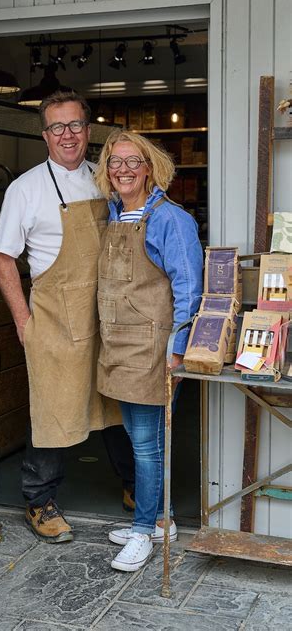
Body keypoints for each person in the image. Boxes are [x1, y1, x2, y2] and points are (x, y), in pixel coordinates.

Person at [0, 90, 133, 543]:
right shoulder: (25, 189)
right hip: (54, 317)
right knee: (52, 408)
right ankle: (39, 500)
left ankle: (135, 485)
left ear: (89, 132)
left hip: (106, 313)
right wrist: (22, 319)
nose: (67, 135)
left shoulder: (105, 178)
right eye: (57, 127)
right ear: (45, 135)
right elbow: (2, 257)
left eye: (75, 126)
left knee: (117, 401)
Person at [94, 129, 203, 572]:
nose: (123, 169)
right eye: (115, 162)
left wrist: (177, 350)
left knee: (146, 446)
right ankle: (163, 520)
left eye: (132, 161)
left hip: (154, 347)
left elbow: (189, 288)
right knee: (143, 441)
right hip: (118, 342)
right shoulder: (114, 214)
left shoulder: (170, 220)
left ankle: (143, 532)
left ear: (150, 167)